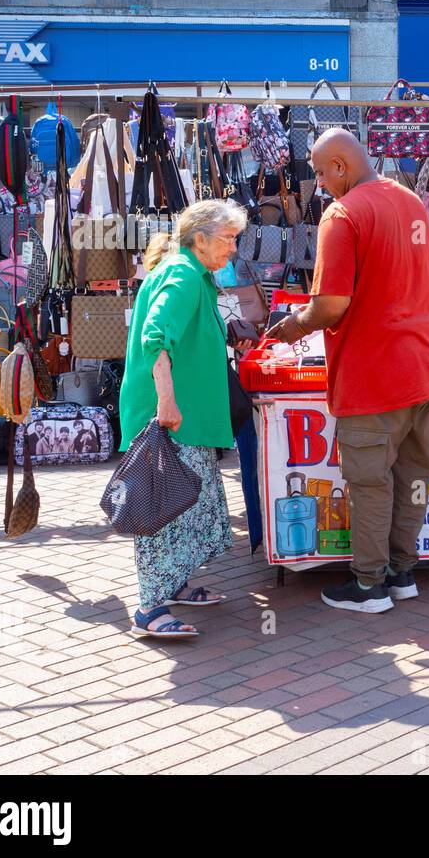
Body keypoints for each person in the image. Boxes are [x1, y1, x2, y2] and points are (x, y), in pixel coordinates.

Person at [266, 129, 429, 614]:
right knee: (413, 477)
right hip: (422, 366)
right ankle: (403, 572)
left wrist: (292, 327)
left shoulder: (343, 214)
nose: (320, 183)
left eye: (322, 172)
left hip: (373, 372)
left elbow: (331, 305)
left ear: (341, 165)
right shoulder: (409, 201)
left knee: (369, 483)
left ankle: (369, 586)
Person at [119, 199, 255, 639]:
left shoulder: (191, 274)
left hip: (183, 416)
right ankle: (148, 608)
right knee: (164, 507)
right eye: (228, 239)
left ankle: (171, 585)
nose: (233, 248)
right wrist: (166, 402)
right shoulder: (181, 273)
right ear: (200, 238)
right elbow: (155, 335)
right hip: (170, 417)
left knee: (185, 502)